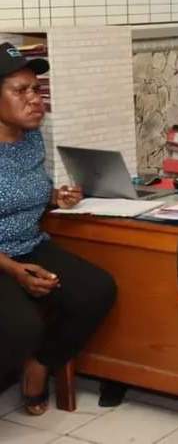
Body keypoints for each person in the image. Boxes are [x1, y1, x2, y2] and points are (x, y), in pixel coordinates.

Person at [0, 42, 117, 415]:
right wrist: (15, 271)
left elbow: (19, 192)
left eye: (37, 90)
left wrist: (55, 197)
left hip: (30, 245)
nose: (35, 100)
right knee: (22, 326)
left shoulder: (31, 136)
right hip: (2, 259)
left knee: (97, 290)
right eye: (21, 91)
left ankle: (40, 365)